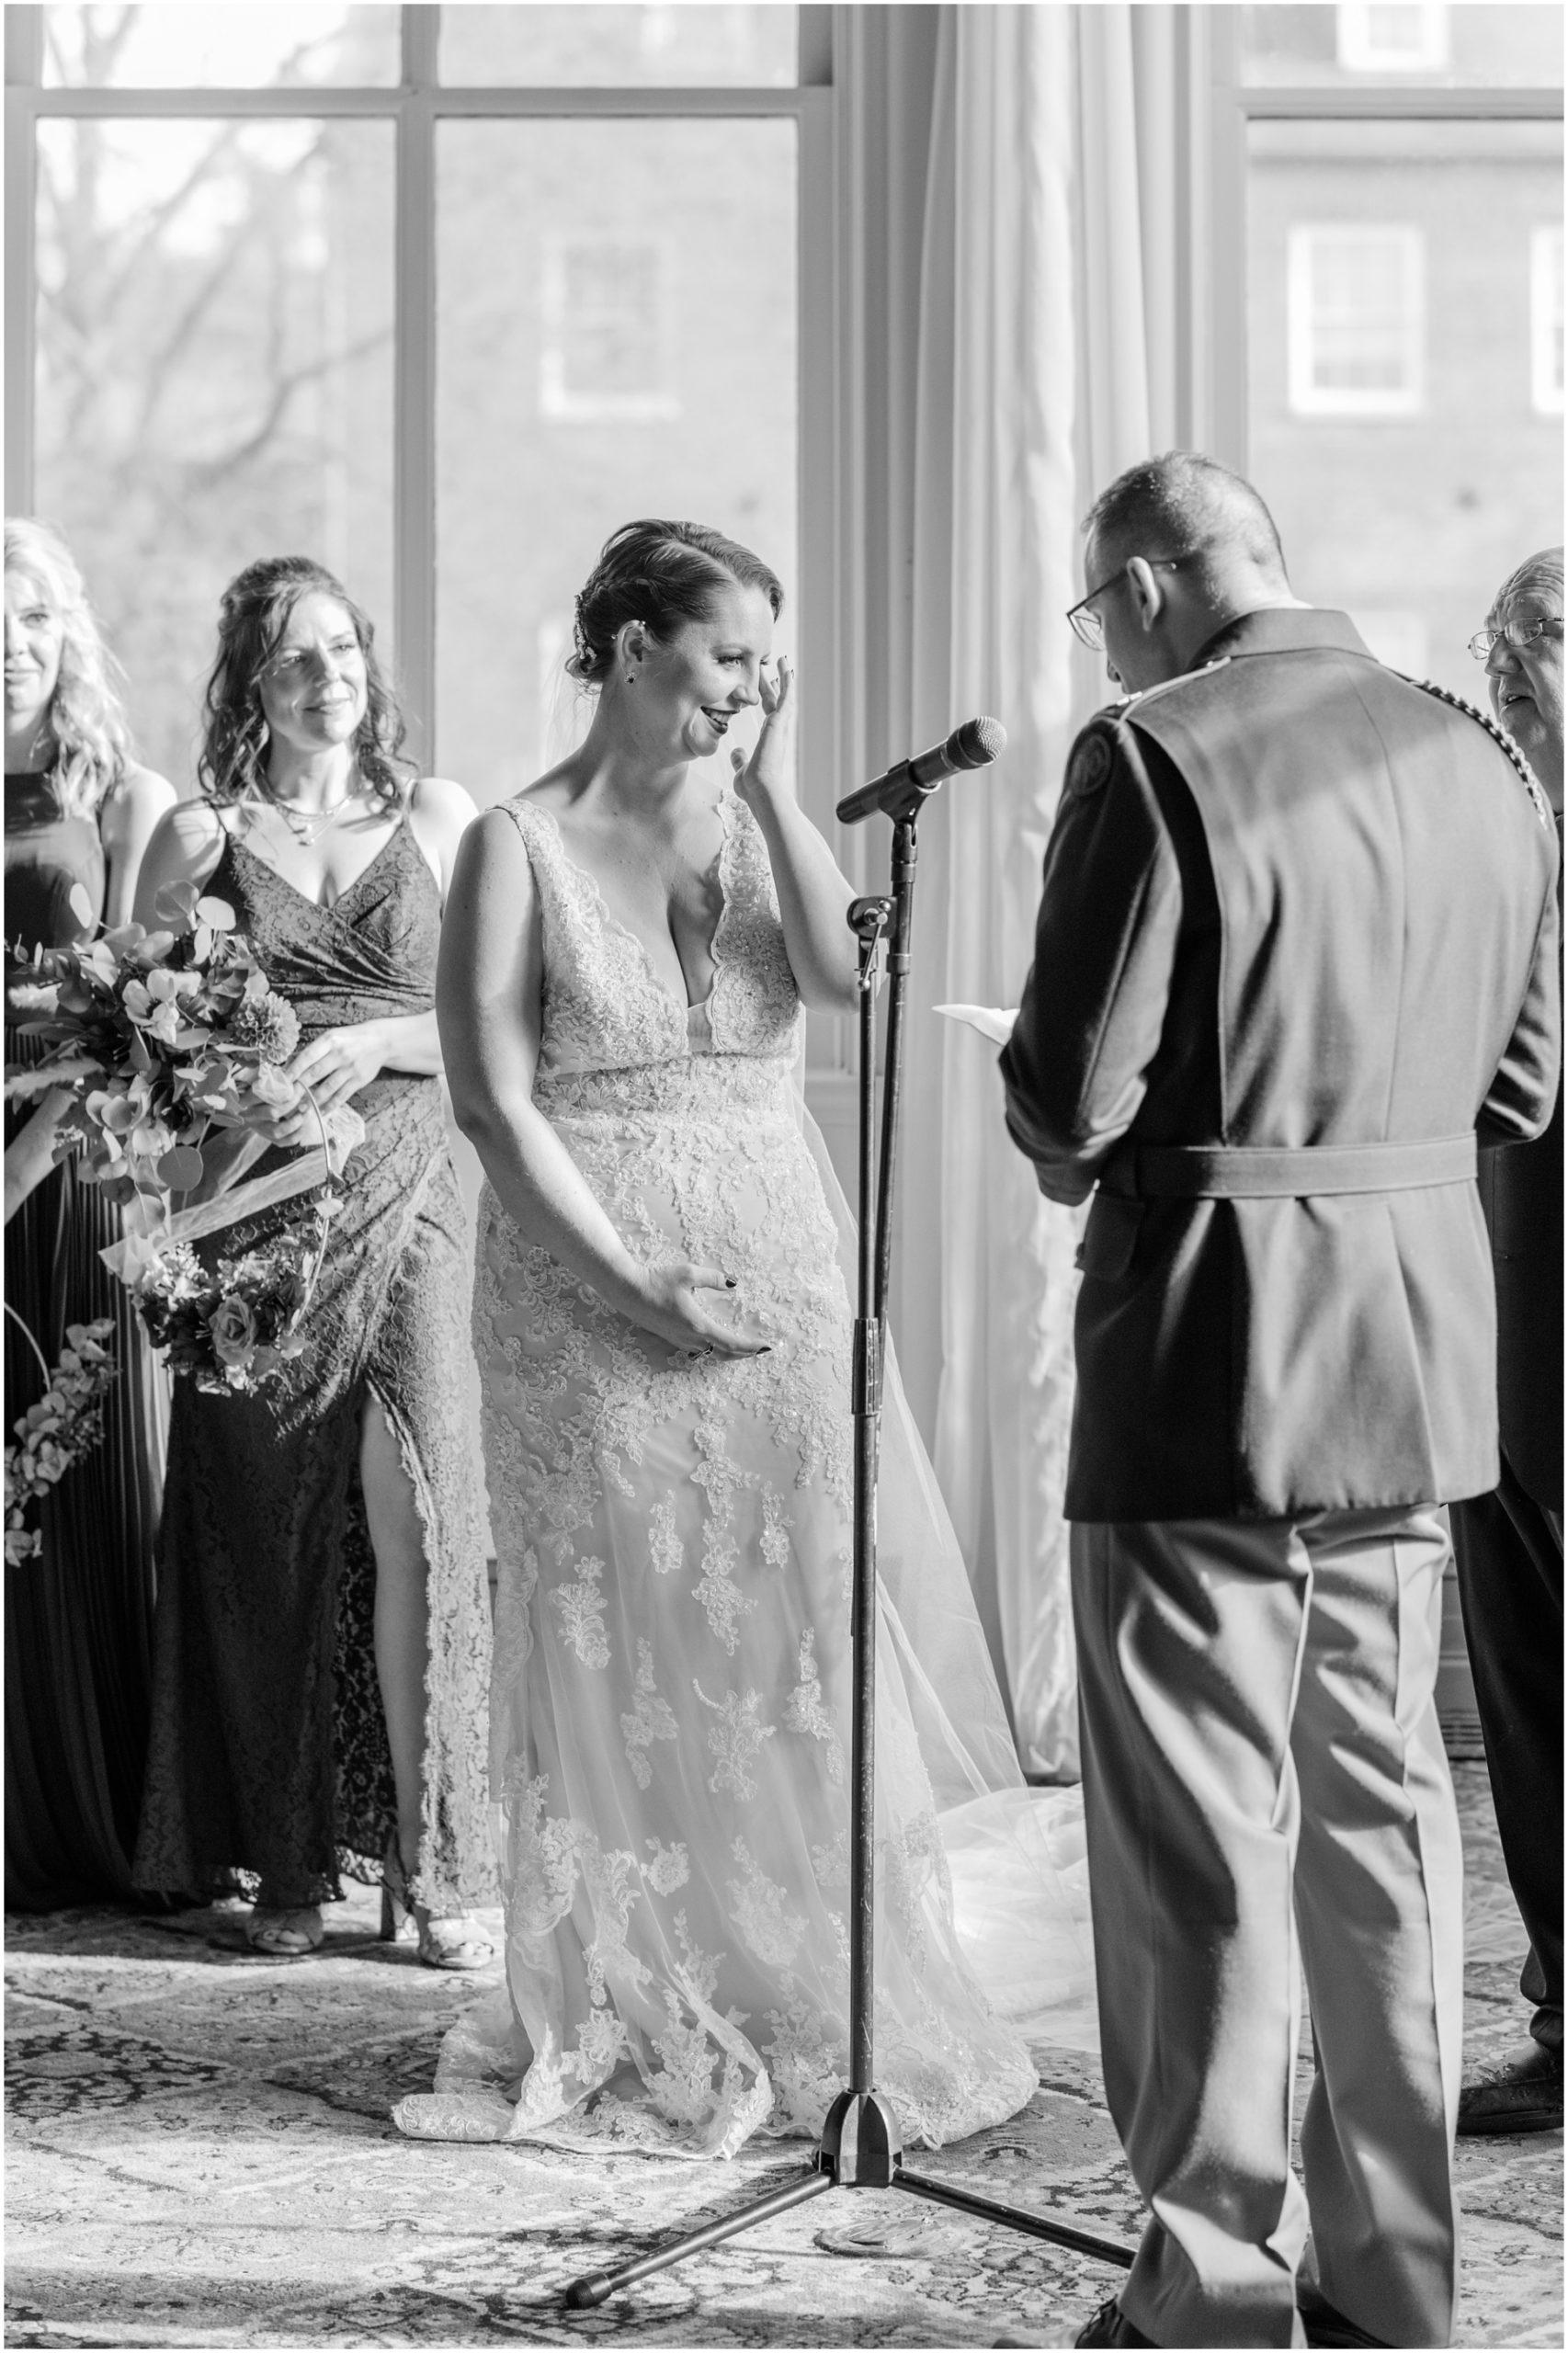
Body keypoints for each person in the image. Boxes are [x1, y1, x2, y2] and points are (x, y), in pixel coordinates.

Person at [392, 518, 1093, 2159]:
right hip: (585, 1283)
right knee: (614, 1628)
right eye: (725, 662)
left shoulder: (752, 820)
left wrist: (776, 784)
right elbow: (495, 1105)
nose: (746, 694)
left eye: (767, 669)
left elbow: (849, 992)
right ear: (633, 650)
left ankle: (799, 1972)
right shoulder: (513, 841)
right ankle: (626, 1987)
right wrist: (633, 1287)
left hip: (778, 1253)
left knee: (781, 1624)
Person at [999, 454, 1561, 2350]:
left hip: (1201, 1354)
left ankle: (1212, 2286)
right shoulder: (1479, 758)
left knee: (1192, 1839)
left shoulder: (1146, 756)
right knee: (1385, 1821)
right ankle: (1393, 2278)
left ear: (1155, 581)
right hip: (1410, 1355)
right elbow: (1523, 1088)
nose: (1105, 639)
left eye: (1101, 605)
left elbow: (1067, 1108)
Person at [130, 555, 494, 1967]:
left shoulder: (444, 817)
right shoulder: (202, 834)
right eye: (294, 658)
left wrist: (377, 1040)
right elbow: (140, 1047)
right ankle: (281, 1861)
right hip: (258, 1203)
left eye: (342, 649)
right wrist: (215, 1085)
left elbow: (499, 1015)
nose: (326, 675)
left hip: (418, 1188)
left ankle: (434, 1861)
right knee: (264, 1520)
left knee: (420, 1497)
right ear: (251, 686)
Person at [5, 517, 176, 1909]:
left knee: (75, 1490)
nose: (9, 652)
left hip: (68, 1176)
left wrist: (28, 1153)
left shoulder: (123, 802)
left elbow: (135, 1026)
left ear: (69, 644)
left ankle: (94, 1814)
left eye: (33, 626)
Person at [1449, 548, 1563, 2136]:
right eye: (1504, 639)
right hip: (1504, 1255)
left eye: (1545, 637)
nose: (1517, 662)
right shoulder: (1473, 816)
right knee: (1528, 1626)